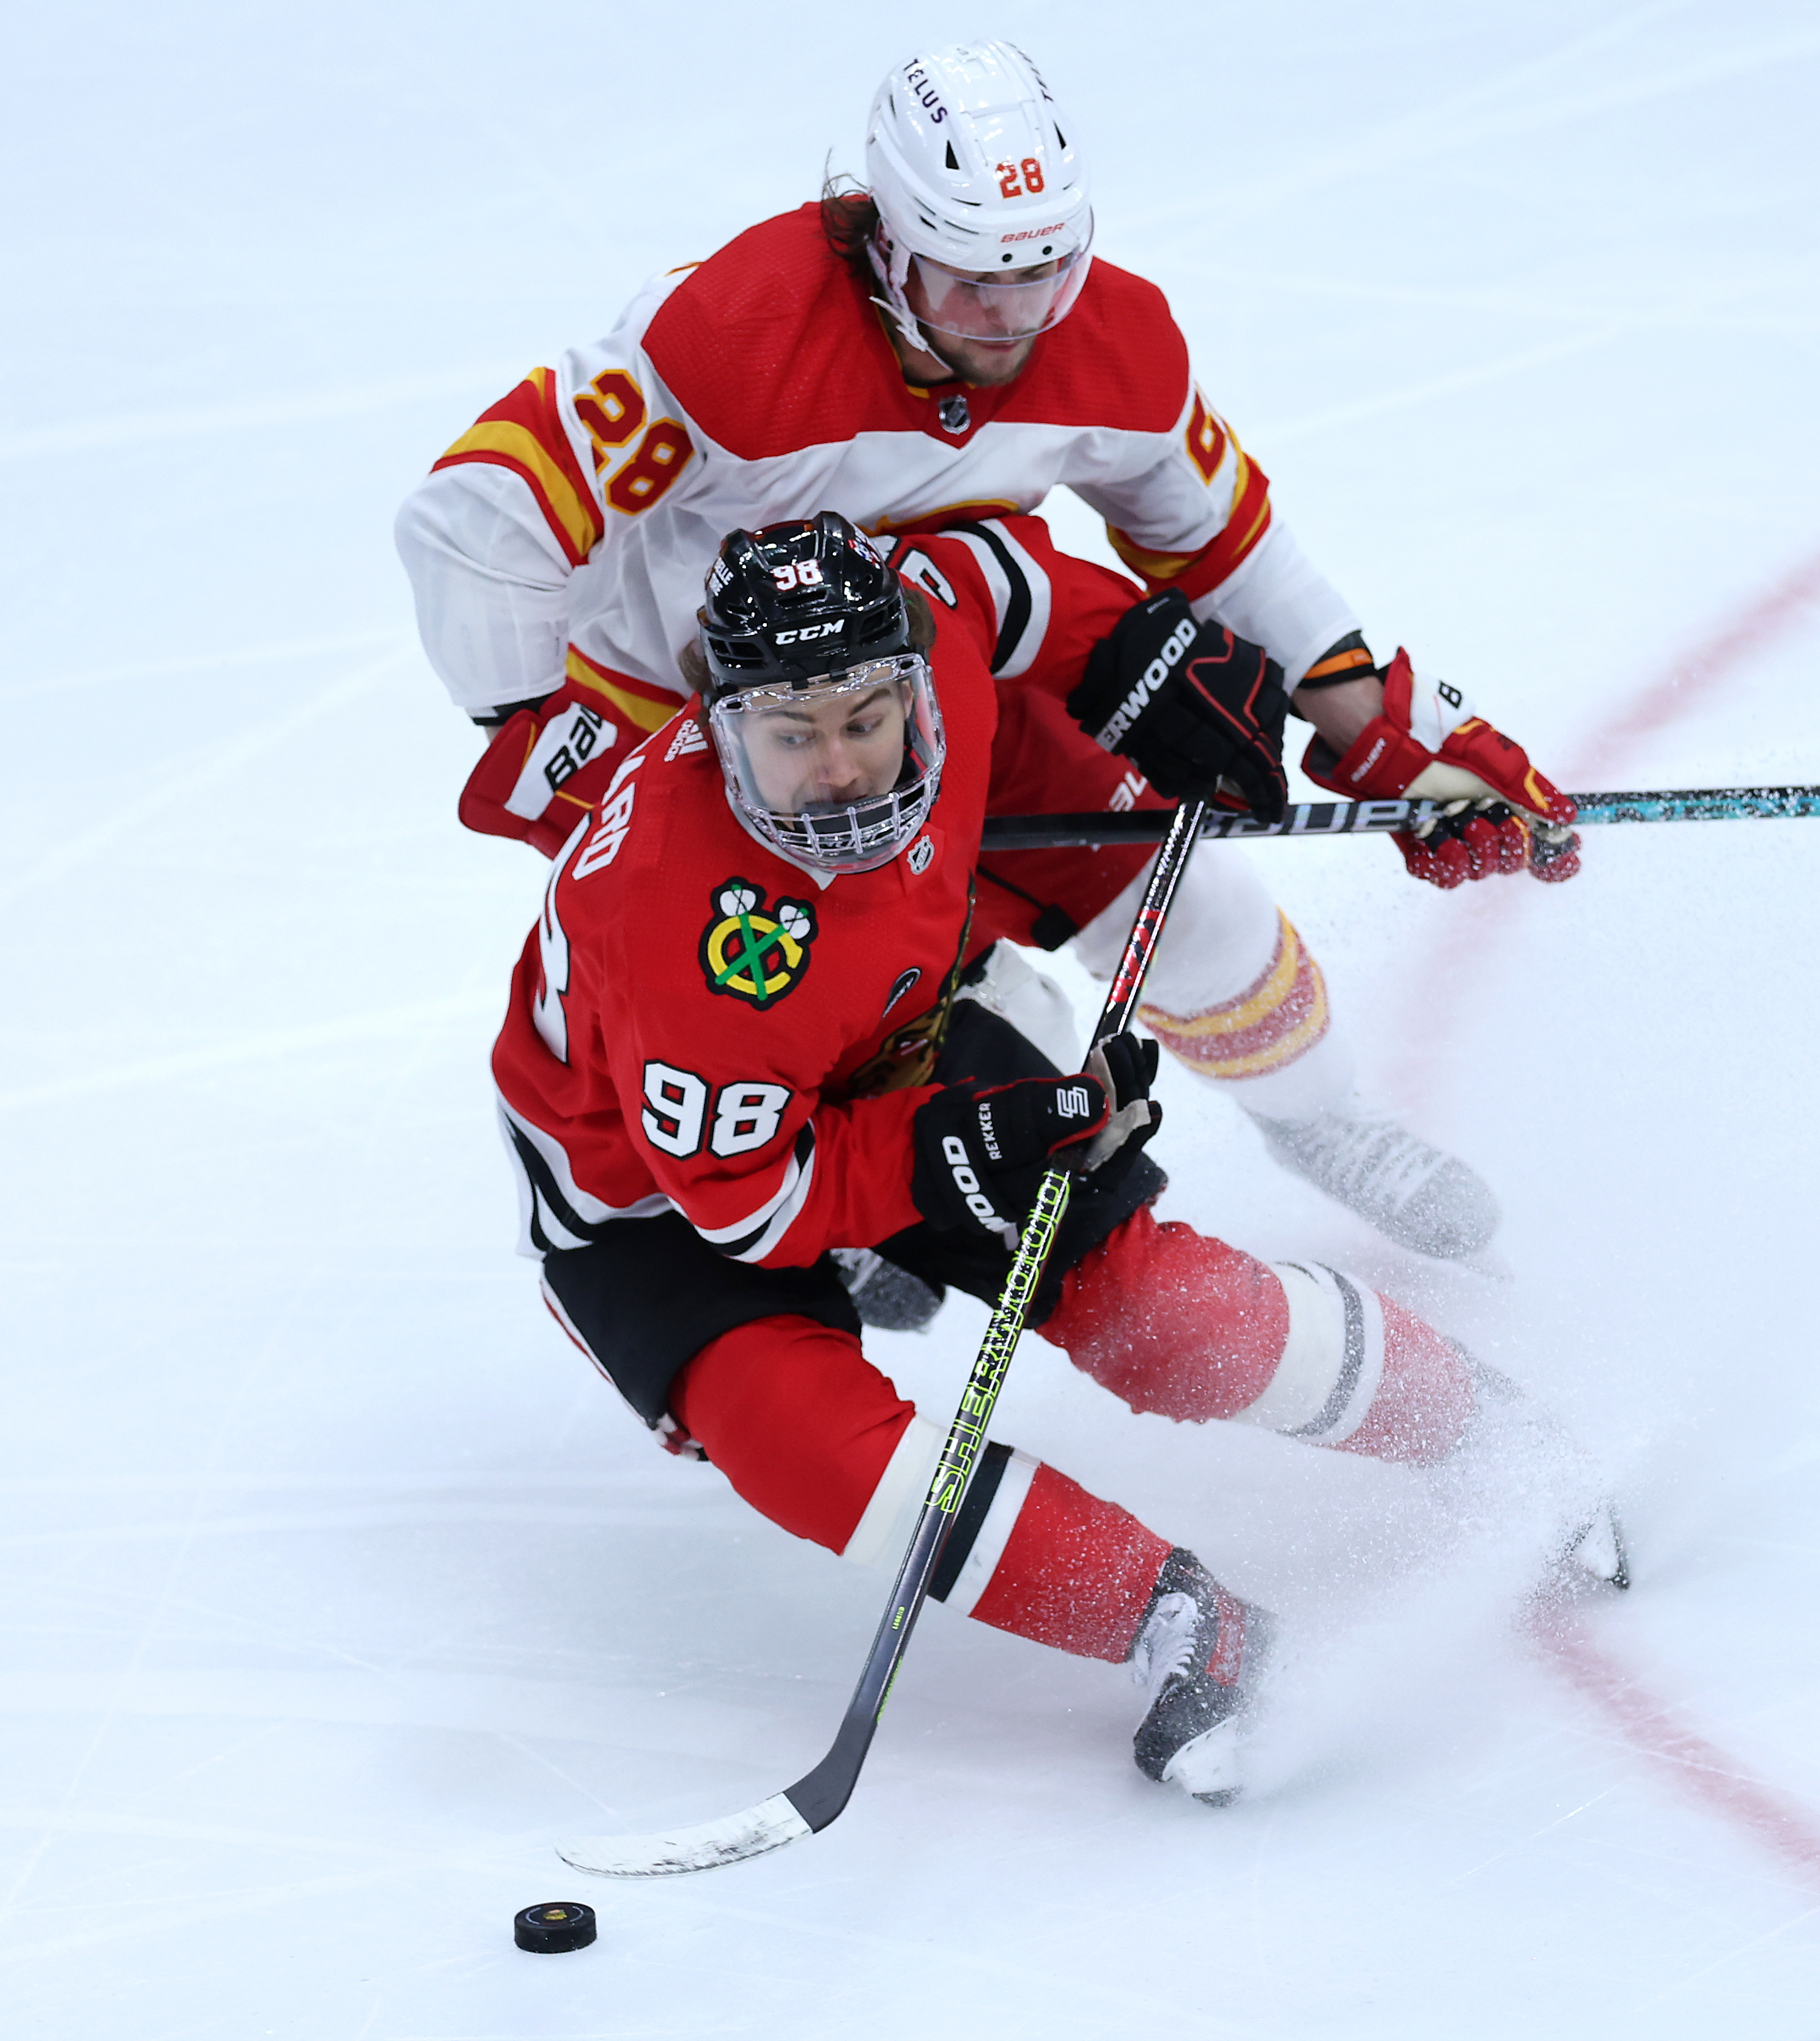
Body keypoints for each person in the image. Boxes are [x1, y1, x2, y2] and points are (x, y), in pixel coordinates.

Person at [403, 37, 1586, 1281]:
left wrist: (1388, 728)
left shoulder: (1112, 337)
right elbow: (473, 530)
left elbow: (1219, 537)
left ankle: (1326, 1121)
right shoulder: (729, 341)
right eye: (970, 284)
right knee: (835, 998)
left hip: (966, 686)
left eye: (1044, 276)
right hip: (736, 749)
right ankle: (868, 1174)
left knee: (1190, 901)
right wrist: (575, 774)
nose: (1013, 324)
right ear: (880, 238)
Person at [497, 511, 1589, 1803]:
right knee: (816, 1453)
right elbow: (755, 1207)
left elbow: (992, 581)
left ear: (910, 676)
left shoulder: (936, 648)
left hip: (889, 1050)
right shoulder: (677, 921)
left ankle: (1499, 1439)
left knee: (1163, 1321)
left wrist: (1137, 651)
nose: (840, 771)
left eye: (863, 717)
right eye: (789, 737)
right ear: (719, 725)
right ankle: (1184, 1622)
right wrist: (965, 1147)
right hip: (660, 1201)